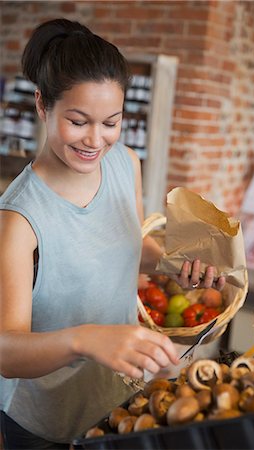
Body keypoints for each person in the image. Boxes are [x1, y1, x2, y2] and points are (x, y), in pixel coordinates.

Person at [0, 18, 225, 448]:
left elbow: (126, 242)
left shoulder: (125, 165)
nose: (96, 140)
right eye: (79, 121)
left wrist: (174, 267)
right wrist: (85, 339)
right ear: (42, 105)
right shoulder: (18, 217)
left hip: (119, 397)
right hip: (46, 420)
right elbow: (6, 351)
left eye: (111, 122)